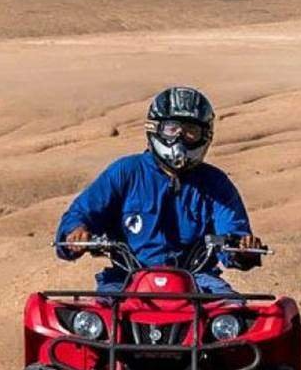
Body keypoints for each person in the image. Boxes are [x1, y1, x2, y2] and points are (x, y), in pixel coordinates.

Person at [55, 86, 263, 295]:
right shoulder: (126, 172)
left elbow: (233, 232)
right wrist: (76, 234)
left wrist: (242, 249)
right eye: (172, 129)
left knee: (236, 317)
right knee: (91, 322)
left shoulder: (215, 183)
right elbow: (81, 213)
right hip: (126, 278)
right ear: (155, 128)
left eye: (191, 131)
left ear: (205, 135)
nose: (180, 138)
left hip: (198, 281)